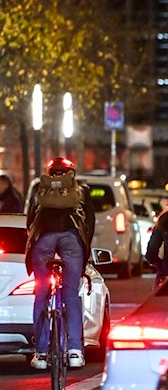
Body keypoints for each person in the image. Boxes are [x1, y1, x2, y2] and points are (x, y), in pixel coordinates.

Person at [25, 157, 95, 370]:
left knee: (42, 293)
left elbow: (30, 221)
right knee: (71, 294)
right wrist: (85, 252)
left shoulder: (40, 188)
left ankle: (41, 354)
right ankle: (75, 350)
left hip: (44, 238)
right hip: (71, 238)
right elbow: (89, 222)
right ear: (71, 172)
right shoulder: (80, 189)